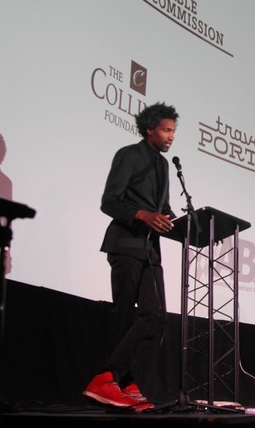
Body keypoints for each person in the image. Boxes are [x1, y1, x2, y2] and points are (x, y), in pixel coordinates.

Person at [83, 102, 179, 412]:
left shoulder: (163, 166)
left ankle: (120, 378)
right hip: (125, 244)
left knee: (155, 317)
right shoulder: (128, 155)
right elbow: (109, 201)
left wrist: (188, 226)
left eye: (174, 131)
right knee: (123, 315)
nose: (171, 136)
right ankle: (111, 380)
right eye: (166, 130)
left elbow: (164, 209)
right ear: (150, 129)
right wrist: (142, 215)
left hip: (150, 251)